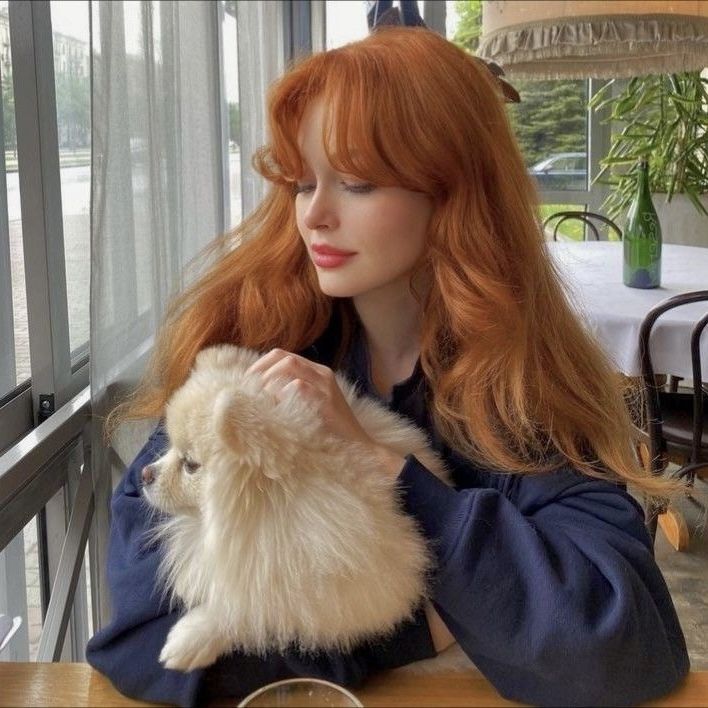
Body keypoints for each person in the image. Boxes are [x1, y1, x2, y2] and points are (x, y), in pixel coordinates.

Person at [86, 26, 689, 707]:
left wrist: (381, 466)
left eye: (358, 183)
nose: (313, 214)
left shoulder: (520, 395)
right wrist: (411, 628)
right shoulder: (259, 356)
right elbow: (139, 637)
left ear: (454, 193)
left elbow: (621, 651)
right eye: (303, 181)